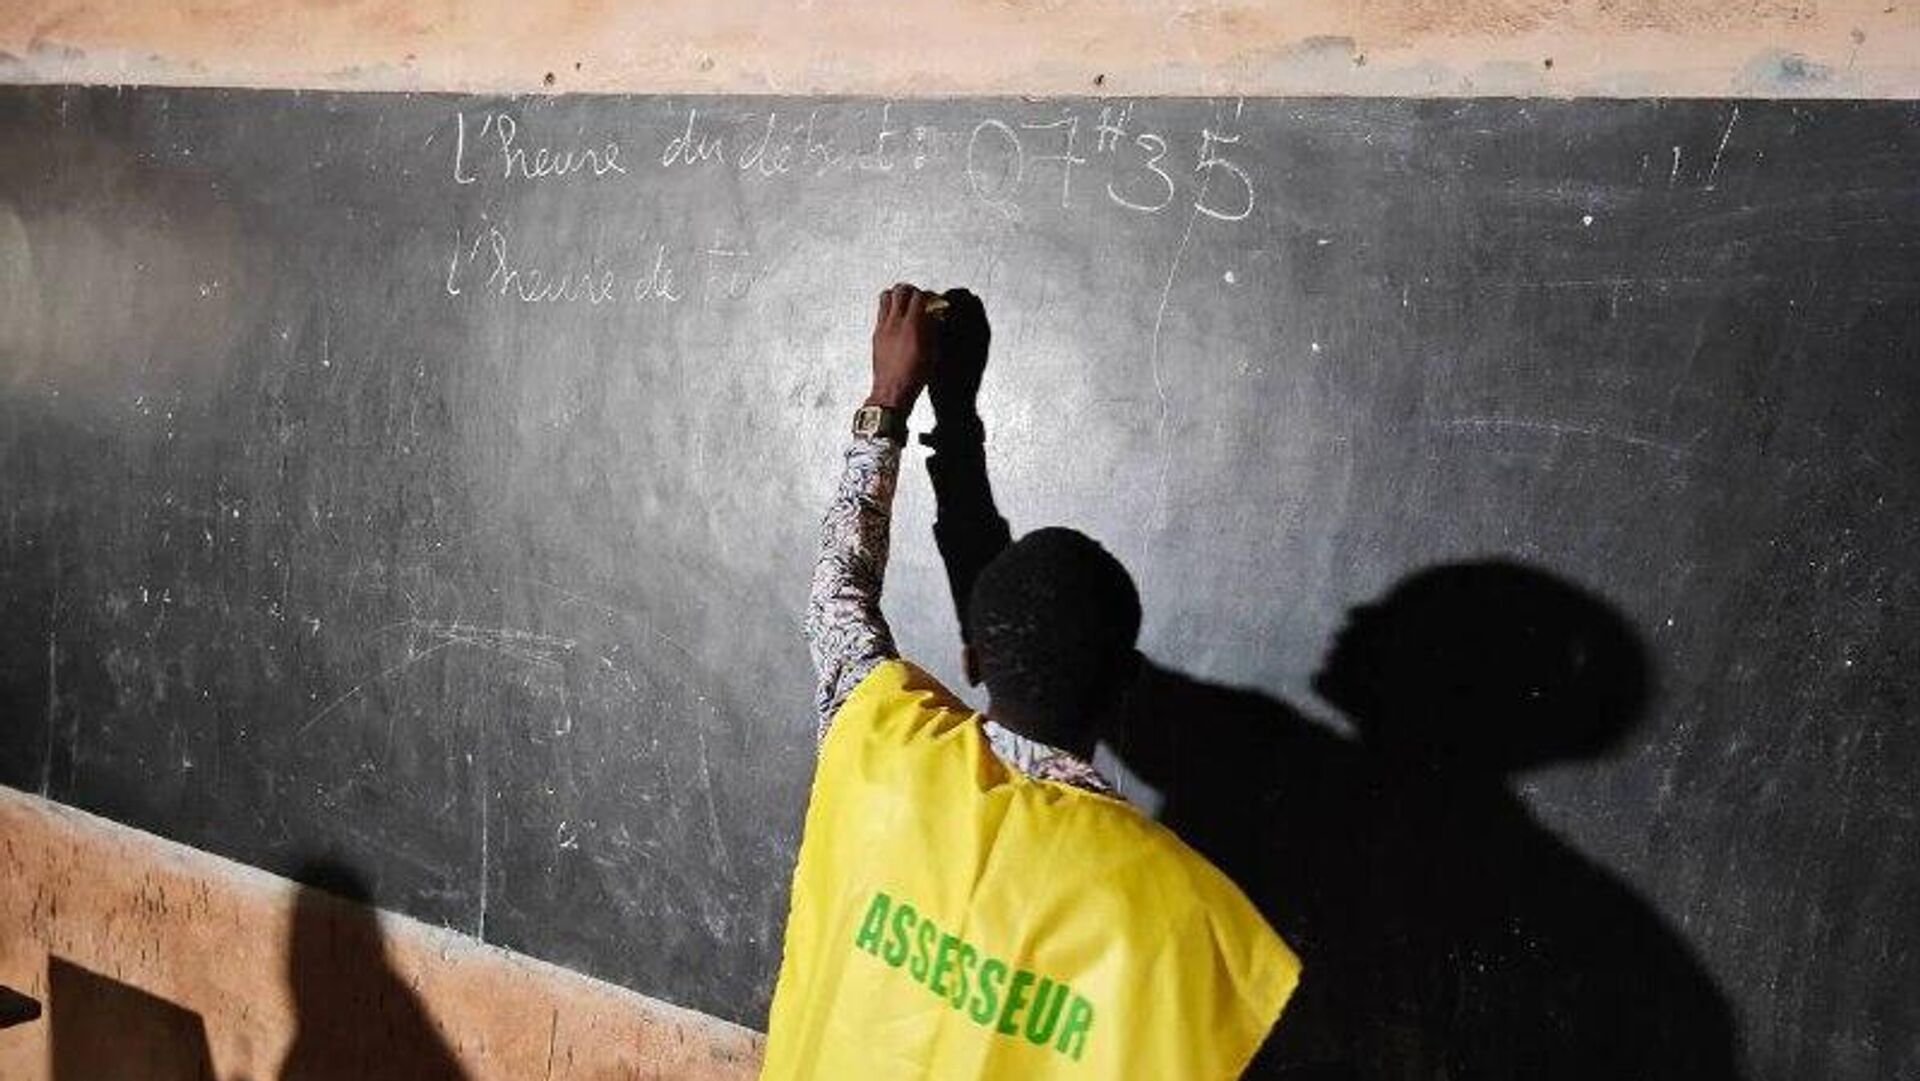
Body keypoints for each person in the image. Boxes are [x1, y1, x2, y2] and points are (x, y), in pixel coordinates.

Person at [759, 284, 1299, 1080]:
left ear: (975, 655)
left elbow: (837, 589)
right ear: (1123, 691)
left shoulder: (876, 743)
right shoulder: (1190, 922)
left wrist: (893, 403)